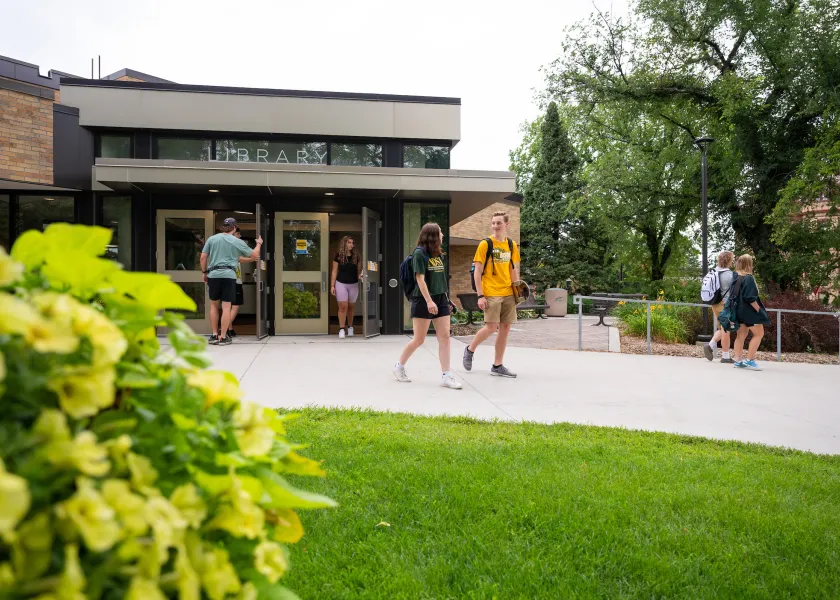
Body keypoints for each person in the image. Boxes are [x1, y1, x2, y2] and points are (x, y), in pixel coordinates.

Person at [393, 223, 462, 389]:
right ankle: (399, 367)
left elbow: (440, 280)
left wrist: (447, 299)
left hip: (440, 298)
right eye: (440, 232)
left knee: (445, 336)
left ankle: (446, 375)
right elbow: (420, 279)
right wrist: (429, 301)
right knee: (419, 339)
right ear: (433, 235)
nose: (442, 234)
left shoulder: (439, 254)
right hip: (423, 299)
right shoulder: (419, 253)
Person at [462, 211, 520, 378]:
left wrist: (517, 290)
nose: (495, 226)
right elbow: (477, 271)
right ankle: (470, 349)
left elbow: (512, 268)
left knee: (505, 328)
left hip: (508, 292)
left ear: (506, 225)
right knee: (491, 327)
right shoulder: (485, 244)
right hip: (491, 292)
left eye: (498, 223)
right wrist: (480, 295)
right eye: (493, 223)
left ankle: (497, 365)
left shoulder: (511, 245)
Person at [200, 218, 262, 346]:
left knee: (213, 306)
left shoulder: (212, 239)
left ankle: (213, 335)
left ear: (223, 227)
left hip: (213, 274)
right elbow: (254, 255)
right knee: (226, 307)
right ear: (234, 228)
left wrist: (204, 272)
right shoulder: (236, 241)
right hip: (228, 275)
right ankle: (223, 337)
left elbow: (203, 257)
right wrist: (259, 243)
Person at [731, 254, 771, 371]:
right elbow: (750, 297)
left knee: (740, 335)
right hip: (749, 312)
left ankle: (738, 360)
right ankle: (750, 359)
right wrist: (759, 310)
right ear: (749, 264)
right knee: (759, 334)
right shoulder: (748, 278)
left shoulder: (735, 277)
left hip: (738, 310)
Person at [704, 251, 736, 363]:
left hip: (715, 303)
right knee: (726, 329)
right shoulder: (730, 275)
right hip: (725, 305)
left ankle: (710, 345)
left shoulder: (713, 272)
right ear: (729, 261)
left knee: (721, 328)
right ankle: (725, 356)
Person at [228, 227, 259, 338]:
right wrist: (258, 245)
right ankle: (224, 328)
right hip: (234, 279)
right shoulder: (234, 244)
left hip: (226, 279)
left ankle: (229, 330)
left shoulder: (224, 244)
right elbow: (240, 258)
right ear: (233, 233)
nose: (240, 236)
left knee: (228, 306)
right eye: (238, 234)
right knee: (235, 306)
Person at [330, 235, 363, 339]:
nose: (351, 245)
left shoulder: (356, 256)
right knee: (343, 307)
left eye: (352, 243)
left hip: (353, 284)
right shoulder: (338, 256)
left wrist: (360, 276)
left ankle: (350, 327)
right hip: (341, 283)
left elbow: (358, 271)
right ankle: (341, 329)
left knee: (351, 307)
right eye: (349, 242)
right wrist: (332, 285)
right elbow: (334, 271)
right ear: (344, 243)